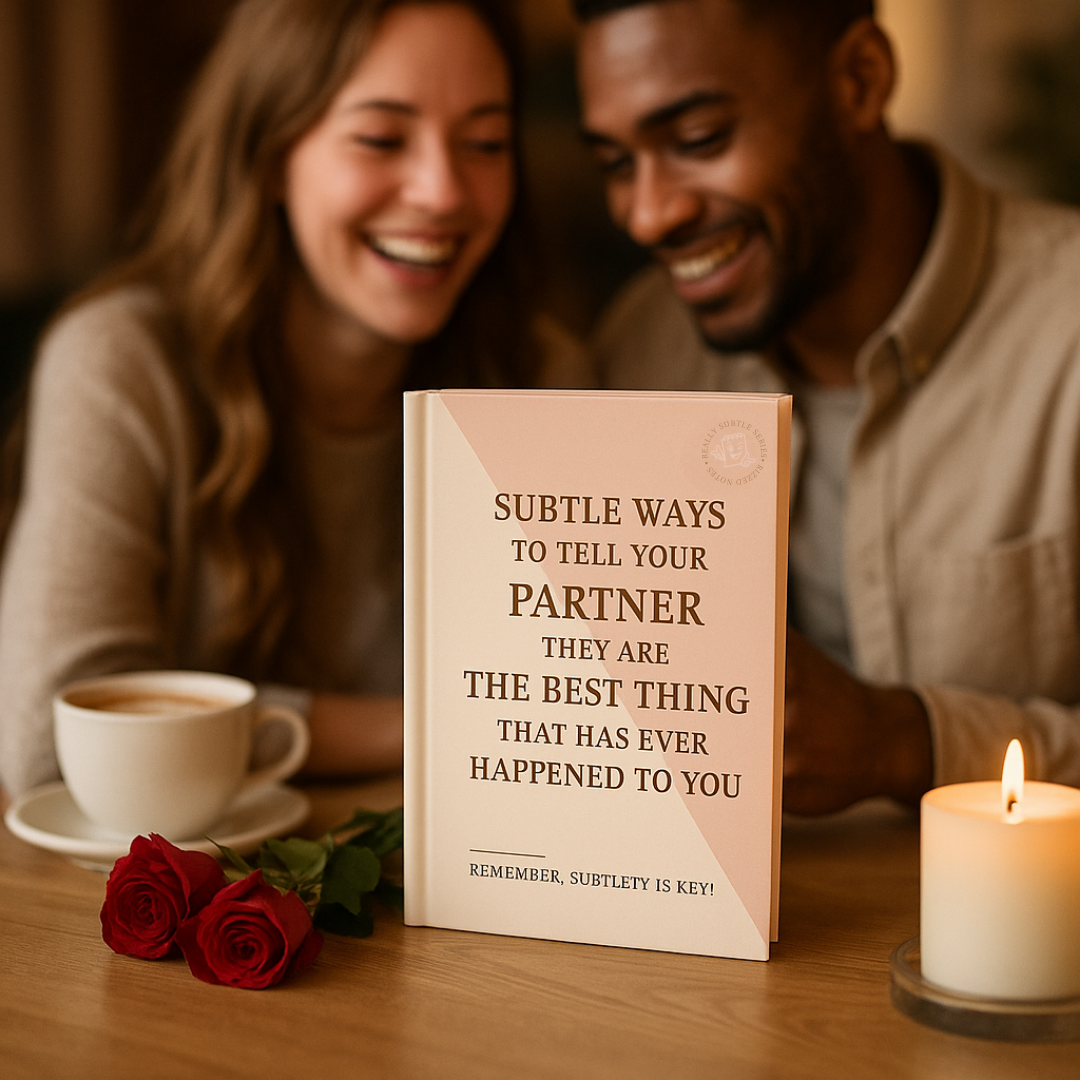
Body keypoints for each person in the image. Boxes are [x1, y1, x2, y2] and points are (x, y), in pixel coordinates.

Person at [0, 0, 590, 798]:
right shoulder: (121, 363)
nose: (443, 190)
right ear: (271, 152)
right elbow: (50, 738)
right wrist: (432, 722)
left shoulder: (543, 376)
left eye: (485, 143)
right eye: (382, 138)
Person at [573, 0, 1080, 812]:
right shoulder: (639, 350)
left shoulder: (1065, 333)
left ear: (859, 80)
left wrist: (906, 741)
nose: (649, 212)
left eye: (699, 140)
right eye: (616, 163)